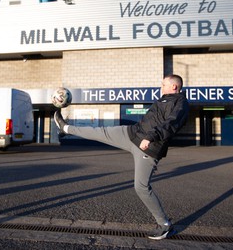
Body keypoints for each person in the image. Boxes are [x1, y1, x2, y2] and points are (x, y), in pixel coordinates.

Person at [54, 74, 189, 240]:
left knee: (141, 187)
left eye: (163, 84)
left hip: (147, 147)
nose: (160, 87)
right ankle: (65, 128)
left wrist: (151, 136)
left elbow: (171, 124)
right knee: (101, 132)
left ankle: (165, 225)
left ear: (174, 87)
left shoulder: (180, 104)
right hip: (132, 134)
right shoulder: (163, 100)